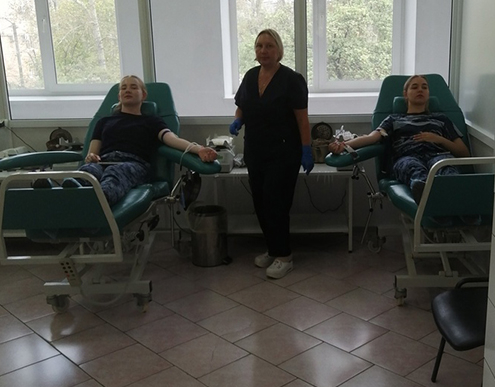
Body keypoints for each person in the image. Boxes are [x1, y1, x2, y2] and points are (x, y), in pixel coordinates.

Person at [229, 28, 313, 279]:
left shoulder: (292, 79)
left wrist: (306, 149)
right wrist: (237, 120)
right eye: (259, 46)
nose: (263, 50)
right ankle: (273, 248)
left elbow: (302, 118)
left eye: (269, 46)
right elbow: (242, 106)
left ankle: (284, 256)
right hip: (255, 150)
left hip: (284, 151)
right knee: (260, 202)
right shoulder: (250, 76)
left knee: (276, 202)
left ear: (278, 50)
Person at [67, 75, 217, 205]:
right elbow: (92, 154)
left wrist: (199, 150)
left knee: (115, 173)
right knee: (88, 171)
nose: (128, 90)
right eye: (124, 88)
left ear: (143, 95)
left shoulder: (151, 121)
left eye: (133, 87)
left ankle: (97, 201)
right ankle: (69, 193)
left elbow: (172, 139)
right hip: (103, 162)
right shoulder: (104, 122)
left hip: (134, 164)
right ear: (119, 96)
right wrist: (91, 158)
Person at [328, 74, 469, 204]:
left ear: (428, 94)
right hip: (407, 157)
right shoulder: (394, 120)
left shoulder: (441, 119)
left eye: (424, 87)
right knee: (413, 169)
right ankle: (425, 195)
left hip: (438, 156)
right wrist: (344, 146)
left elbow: (464, 153)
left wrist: (439, 139)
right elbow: (371, 138)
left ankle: (460, 207)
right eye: (414, 87)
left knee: (447, 170)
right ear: (405, 94)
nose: (420, 90)